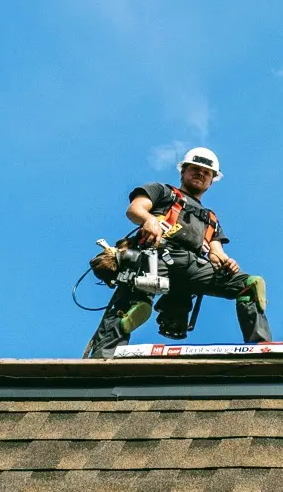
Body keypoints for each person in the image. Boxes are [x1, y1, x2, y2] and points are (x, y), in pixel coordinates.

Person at [83, 147, 272, 359]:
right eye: (195, 169)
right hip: (156, 257)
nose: (200, 174)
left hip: (192, 267)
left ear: (211, 181)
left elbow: (217, 252)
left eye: (206, 172)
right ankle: (103, 358)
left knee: (250, 284)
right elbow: (135, 209)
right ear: (183, 171)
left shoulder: (210, 218)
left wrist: (227, 262)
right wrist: (149, 220)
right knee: (133, 305)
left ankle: (262, 348)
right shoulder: (164, 192)